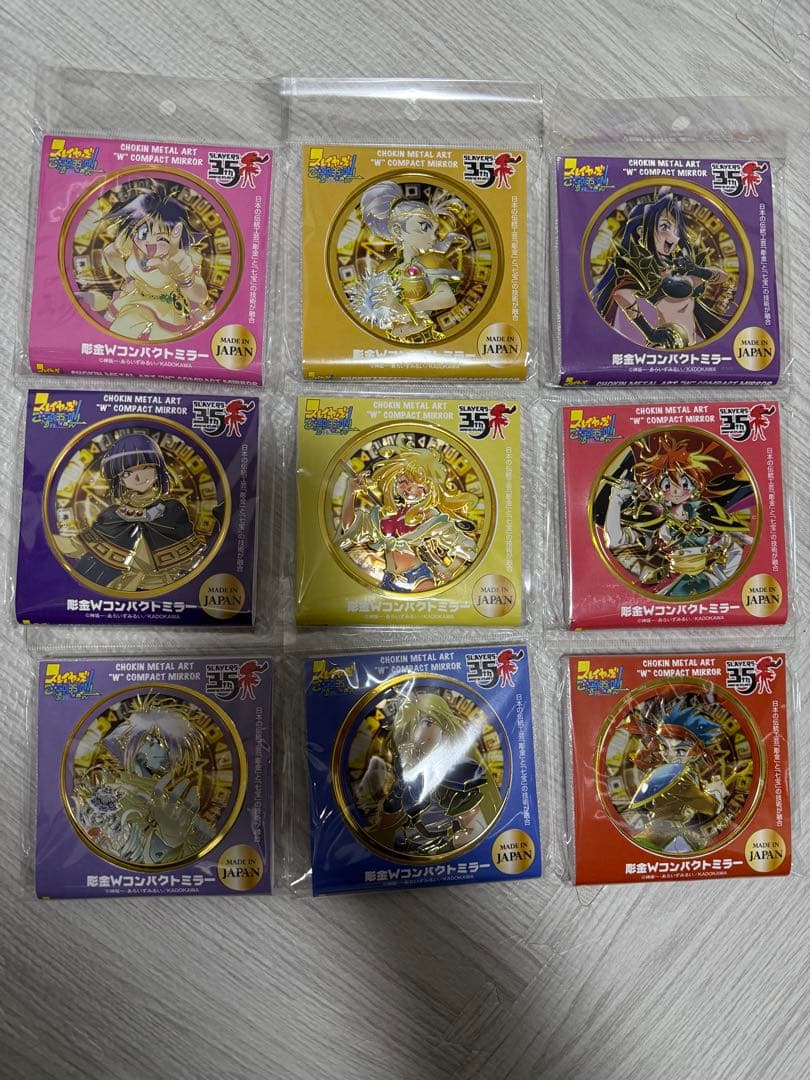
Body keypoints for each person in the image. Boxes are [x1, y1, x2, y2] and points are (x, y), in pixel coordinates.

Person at [602, 433, 752, 598]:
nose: (676, 490)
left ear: (696, 484)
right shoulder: (656, 519)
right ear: (658, 489)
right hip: (672, 584)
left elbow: (734, 547)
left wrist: (722, 577)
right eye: (667, 485)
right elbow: (615, 540)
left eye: (685, 483)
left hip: (709, 582)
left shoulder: (707, 512)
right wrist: (616, 500)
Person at [70, 701, 217, 866]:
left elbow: (209, 851)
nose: (168, 752)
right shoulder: (108, 796)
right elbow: (116, 853)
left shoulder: (170, 801)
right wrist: (165, 843)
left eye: (171, 746)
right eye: (155, 742)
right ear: (134, 744)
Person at [55, 432, 207, 591]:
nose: (138, 478)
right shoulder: (113, 514)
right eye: (127, 473)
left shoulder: (173, 509)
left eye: (146, 468)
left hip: (169, 584)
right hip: (120, 585)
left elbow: (191, 556)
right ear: (120, 479)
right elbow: (81, 545)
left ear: (158, 469)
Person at [591, 188, 731, 348]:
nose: (674, 237)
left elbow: (723, 277)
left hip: (692, 342)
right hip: (668, 341)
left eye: (674, 228)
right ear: (642, 232)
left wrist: (698, 270)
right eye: (664, 227)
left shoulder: (680, 262)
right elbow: (621, 294)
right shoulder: (645, 269)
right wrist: (649, 332)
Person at [353, 691, 490, 855]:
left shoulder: (462, 770)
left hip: (444, 843)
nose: (416, 734)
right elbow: (392, 805)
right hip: (413, 840)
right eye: (410, 727)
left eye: (426, 723)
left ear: (444, 725)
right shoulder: (410, 769)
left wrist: (451, 844)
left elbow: (475, 824)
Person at [78, 181, 211, 340]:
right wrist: (129, 277)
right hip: (136, 297)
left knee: (163, 342)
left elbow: (200, 296)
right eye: (143, 233)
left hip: (169, 306)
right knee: (121, 330)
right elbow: (110, 252)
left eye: (162, 238)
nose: (149, 243)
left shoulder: (183, 257)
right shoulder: (131, 244)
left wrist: (183, 277)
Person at [338, 444, 477, 592]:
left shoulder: (430, 516)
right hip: (388, 579)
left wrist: (450, 570)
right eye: (403, 482)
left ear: (431, 486)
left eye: (418, 484)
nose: (410, 488)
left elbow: (465, 544)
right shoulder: (388, 514)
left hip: (418, 579)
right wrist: (351, 491)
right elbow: (349, 526)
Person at [346, 180, 467, 342]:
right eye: (424, 227)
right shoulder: (387, 267)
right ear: (397, 230)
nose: (433, 237)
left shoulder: (431, 260)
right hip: (390, 338)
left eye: (434, 230)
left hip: (423, 336)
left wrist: (403, 307)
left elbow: (447, 298)